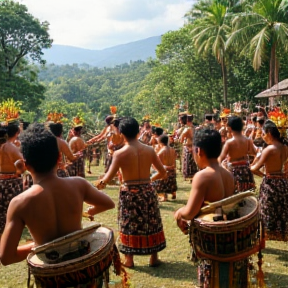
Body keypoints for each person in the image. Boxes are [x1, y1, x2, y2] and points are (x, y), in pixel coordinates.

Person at [0, 123, 115, 286]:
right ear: (59, 158)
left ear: (25, 164)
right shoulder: (78, 184)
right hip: (83, 272)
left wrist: (40, 246)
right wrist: (90, 211)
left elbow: (6, 257)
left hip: (52, 278)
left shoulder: (20, 202)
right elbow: (108, 203)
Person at [96, 117, 167, 268]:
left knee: (129, 223)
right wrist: (148, 179)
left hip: (129, 192)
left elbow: (108, 178)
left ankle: (129, 260)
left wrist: (100, 183)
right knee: (151, 221)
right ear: (137, 132)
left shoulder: (120, 153)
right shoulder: (149, 150)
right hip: (147, 190)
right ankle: (154, 257)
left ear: (121, 133)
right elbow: (162, 172)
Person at [174, 129, 234, 230]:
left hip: (211, 235)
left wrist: (179, 213)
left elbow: (189, 213)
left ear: (199, 151)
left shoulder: (202, 176)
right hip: (227, 233)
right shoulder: (229, 175)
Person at [251, 121, 288, 241]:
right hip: (282, 182)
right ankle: (280, 233)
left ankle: (266, 234)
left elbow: (254, 168)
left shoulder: (269, 149)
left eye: (263, 134)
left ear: (269, 133)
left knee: (267, 210)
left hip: (271, 183)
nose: (263, 137)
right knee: (281, 208)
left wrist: (260, 173)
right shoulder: (285, 148)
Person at [218, 116, 256, 192]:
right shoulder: (248, 140)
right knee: (246, 193)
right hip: (245, 169)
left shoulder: (229, 142)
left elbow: (220, 158)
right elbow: (255, 153)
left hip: (233, 170)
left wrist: (222, 167)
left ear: (230, 128)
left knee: (234, 193)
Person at [0, 124, 24, 234]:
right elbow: (21, 164)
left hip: (1, 181)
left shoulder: (4, 146)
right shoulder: (11, 147)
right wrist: (18, 172)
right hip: (11, 183)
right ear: (16, 133)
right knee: (11, 213)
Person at [153, 134, 177, 201]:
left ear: (160, 143)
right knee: (171, 182)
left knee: (162, 183)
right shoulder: (173, 150)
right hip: (172, 170)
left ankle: (164, 197)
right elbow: (174, 160)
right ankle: (173, 193)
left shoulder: (161, 152)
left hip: (165, 170)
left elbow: (158, 163)